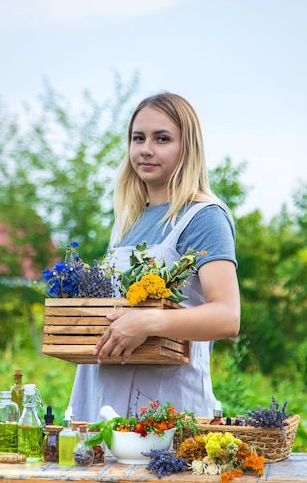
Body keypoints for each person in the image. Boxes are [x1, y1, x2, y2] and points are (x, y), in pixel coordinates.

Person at [69, 92, 240, 421]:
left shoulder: (204, 216)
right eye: (138, 138)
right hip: (98, 399)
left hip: (163, 404)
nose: (146, 149)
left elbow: (227, 316)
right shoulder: (127, 220)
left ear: (187, 147)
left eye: (162, 138)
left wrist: (149, 322)